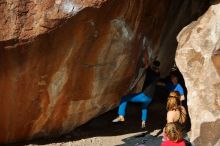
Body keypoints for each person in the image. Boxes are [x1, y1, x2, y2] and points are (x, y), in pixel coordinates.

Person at [112, 60, 160, 128]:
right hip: (150, 98)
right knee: (144, 107)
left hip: (144, 96)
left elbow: (147, 66)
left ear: (153, 66)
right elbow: (151, 68)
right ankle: (143, 122)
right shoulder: (158, 75)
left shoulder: (151, 73)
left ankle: (121, 115)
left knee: (124, 98)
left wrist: (148, 64)